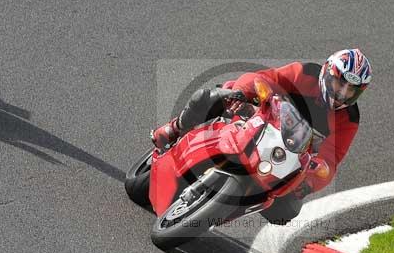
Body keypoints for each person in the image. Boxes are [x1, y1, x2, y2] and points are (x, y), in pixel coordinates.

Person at [151, 49, 372, 225]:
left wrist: (311, 181)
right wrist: (244, 92)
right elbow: (265, 78)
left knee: (286, 212)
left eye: (350, 90)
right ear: (328, 73)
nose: (342, 93)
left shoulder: (349, 119)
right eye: (339, 83)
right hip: (259, 117)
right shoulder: (305, 73)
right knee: (215, 96)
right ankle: (175, 129)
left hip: (285, 158)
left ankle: (222, 211)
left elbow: (331, 160)